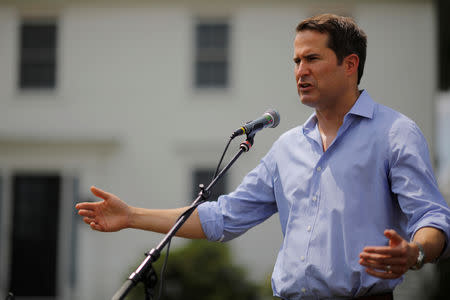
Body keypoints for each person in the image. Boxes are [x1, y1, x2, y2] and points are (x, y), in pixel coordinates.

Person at [76, 14, 450, 299]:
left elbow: (433, 216)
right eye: (296, 61)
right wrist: (131, 217)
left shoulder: (394, 133)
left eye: (312, 59)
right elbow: (222, 217)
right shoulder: (286, 148)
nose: (300, 71)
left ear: (350, 65)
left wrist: (415, 253)